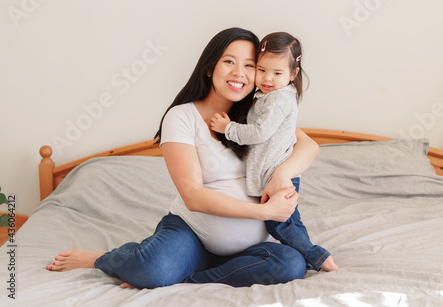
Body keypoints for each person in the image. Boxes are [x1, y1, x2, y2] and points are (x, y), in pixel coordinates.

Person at [46, 27, 321, 289]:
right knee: (152, 269)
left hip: (248, 249)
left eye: (250, 65)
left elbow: (309, 146)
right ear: (210, 67)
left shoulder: (261, 111)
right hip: (192, 233)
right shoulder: (182, 117)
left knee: (290, 264)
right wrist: (264, 212)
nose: (240, 73)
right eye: (229, 62)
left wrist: (282, 174)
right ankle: (103, 259)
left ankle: (187, 276)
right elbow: (192, 195)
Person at [210, 32, 338, 272]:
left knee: (279, 224)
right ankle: (314, 254)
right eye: (261, 70)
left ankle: (317, 256)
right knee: (289, 222)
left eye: (277, 73)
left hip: (275, 176)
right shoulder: (264, 96)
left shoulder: (279, 99)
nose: (267, 78)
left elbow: (259, 133)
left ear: (293, 74)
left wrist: (228, 128)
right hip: (269, 174)